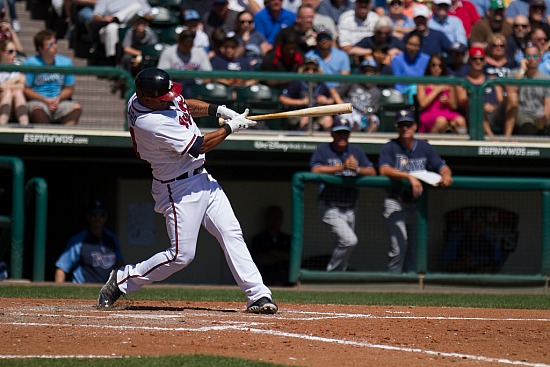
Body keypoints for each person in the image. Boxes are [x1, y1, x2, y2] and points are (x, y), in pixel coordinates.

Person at [97, 67, 278, 314]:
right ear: (147, 99)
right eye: (163, 98)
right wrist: (230, 128)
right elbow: (200, 147)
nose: (170, 99)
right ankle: (122, 279)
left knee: (231, 233)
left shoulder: (147, 98)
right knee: (181, 256)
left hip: (202, 178)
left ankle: (258, 295)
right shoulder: (150, 123)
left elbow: (184, 105)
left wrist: (218, 110)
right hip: (177, 189)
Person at [378, 109, 453, 273]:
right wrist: (409, 177)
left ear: (415, 126)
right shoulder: (390, 147)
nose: (405, 128)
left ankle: (409, 288)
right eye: (401, 125)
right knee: (399, 248)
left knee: (414, 250)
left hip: (417, 205)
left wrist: (446, 175)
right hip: (395, 202)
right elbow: (384, 170)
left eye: (408, 124)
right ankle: (392, 283)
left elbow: (443, 167)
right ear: (397, 127)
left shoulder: (424, 146)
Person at [310, 115, 376, 272]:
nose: (342, 136)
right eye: (339, 133)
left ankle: (340, 275)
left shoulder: (356, 151)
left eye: (345, 133)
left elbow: (372, 171)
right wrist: (342, 167)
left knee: (342, 243)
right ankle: (332, 274)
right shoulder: (323, 150)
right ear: (332, 133)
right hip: (329, 205)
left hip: (350, 206)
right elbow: (315, 169)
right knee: (349, 240)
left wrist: (357, 169)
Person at [55, 200, 124, 283]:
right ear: (88, 217)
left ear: (106, 217)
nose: (97, 218)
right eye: (93, 215)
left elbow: (120, 264)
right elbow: (62, 268)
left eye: (101, 215)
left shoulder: (111, 238)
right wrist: (59, 289)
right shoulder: (78, 240)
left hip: (107, 289)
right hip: (84, 289)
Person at [23, 29, 82, 126]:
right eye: (50, 45)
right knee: (38, 109)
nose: (54, 47)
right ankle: (47, 137)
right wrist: (44, 100)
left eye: (55, 43)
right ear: (40, 49)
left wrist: (58, 99)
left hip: (58, 101)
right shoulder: (31, 63)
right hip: (38, 101)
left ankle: (65, 137)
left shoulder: (65, 62)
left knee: (76, 108)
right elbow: (26, 89)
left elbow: (69, 88)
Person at [457, 46, 515, 136]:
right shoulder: (463, 81)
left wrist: (493, 106)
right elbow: (462, 101)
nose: (478, 61)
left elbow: (500, 100)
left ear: (484, 61)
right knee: (476, 105)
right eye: (474, 59)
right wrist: (480, 105)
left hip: (494, 114)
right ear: (469, 61)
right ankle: (491, 137)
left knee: (512, 97)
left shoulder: (492, 79)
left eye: (481, 59)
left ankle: (507, 136)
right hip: (474, 116)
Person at [88, 0, 153, 64]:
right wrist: (104, 18)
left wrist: (139, 16)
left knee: (136, 6)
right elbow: (96, 16)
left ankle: (117, 18)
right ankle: (111, 58)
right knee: (112, 28)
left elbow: (150, 14)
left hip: (130, 25)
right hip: (108, 25)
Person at [279, 57, 335, 130]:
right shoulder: (298, 83)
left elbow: (332, 99)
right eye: (307, 69)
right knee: (306, 119)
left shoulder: (321, 84)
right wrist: (301, 102)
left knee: (328, 120)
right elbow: (282, 98)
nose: (310, 72)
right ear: (302, 70)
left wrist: (325, 101)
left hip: (317, 114)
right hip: (300, 114)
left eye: (314, 70)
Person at [417, 54, 467, 134]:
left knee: (460, 120)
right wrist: (437, 90)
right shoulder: (423, 83)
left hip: (446, 112)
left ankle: (463, 144)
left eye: (440, 66)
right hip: (429, 114)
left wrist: (448, 101)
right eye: (434, 65)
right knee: (441, 121)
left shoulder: (448, 82)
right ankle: (432, 144)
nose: (437, 68)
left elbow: (454, 106)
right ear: (429, 66)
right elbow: (423, 104)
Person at [157, 29, 213, 97]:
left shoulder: (200, 52)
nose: (187, 48)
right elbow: (162, 75)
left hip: (195, 85)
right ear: (179, 42)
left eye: (190, 45)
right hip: (175, 86)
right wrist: (180, 73)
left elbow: (208, 74)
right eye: (185, 45)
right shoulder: (169, 52)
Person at [510, 42, 550, 135]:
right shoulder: (515, 74)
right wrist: (522, 70)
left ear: (540, 59)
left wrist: (545, 117)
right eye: (528, 56)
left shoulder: (546, 78)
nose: (532, 59)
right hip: (522, 114)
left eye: (535, 56)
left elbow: (548, 103)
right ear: (524, 58)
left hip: (540, 114)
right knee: (528, 127)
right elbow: (511, 91)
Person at [334, 58, 381, 132]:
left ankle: (367, 140)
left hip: (364, 114)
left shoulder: (376, 91)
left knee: (375, 120)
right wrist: (341, 105)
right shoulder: (353, 83)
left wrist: (369, 113)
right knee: (352, 119)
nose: (368, 74)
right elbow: (335, 91)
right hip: (350, 111)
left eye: (371, 71)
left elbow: (373, 108)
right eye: (365, 71)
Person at [250, 205, 292, 286]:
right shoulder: (259, 239)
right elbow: (260, 259)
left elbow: (293, 258)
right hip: (265, 279)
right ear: (266, 219)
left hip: (284, 279)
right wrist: (281, 257)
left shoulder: (287, 239)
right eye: (272, 218)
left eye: (278, 218)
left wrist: (274, 253)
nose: (275, 221)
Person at [0, 39, 28, 125]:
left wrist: (6, 85)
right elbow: (1, 87)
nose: (14, 54)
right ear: (1, 52)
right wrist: (14, 80)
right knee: (8, 93)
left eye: (15, 51)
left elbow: (22, 87)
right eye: (11, 51)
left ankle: (24, 127)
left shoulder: (17, 66)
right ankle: (2, 126)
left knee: (18, 93)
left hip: (13, 102)